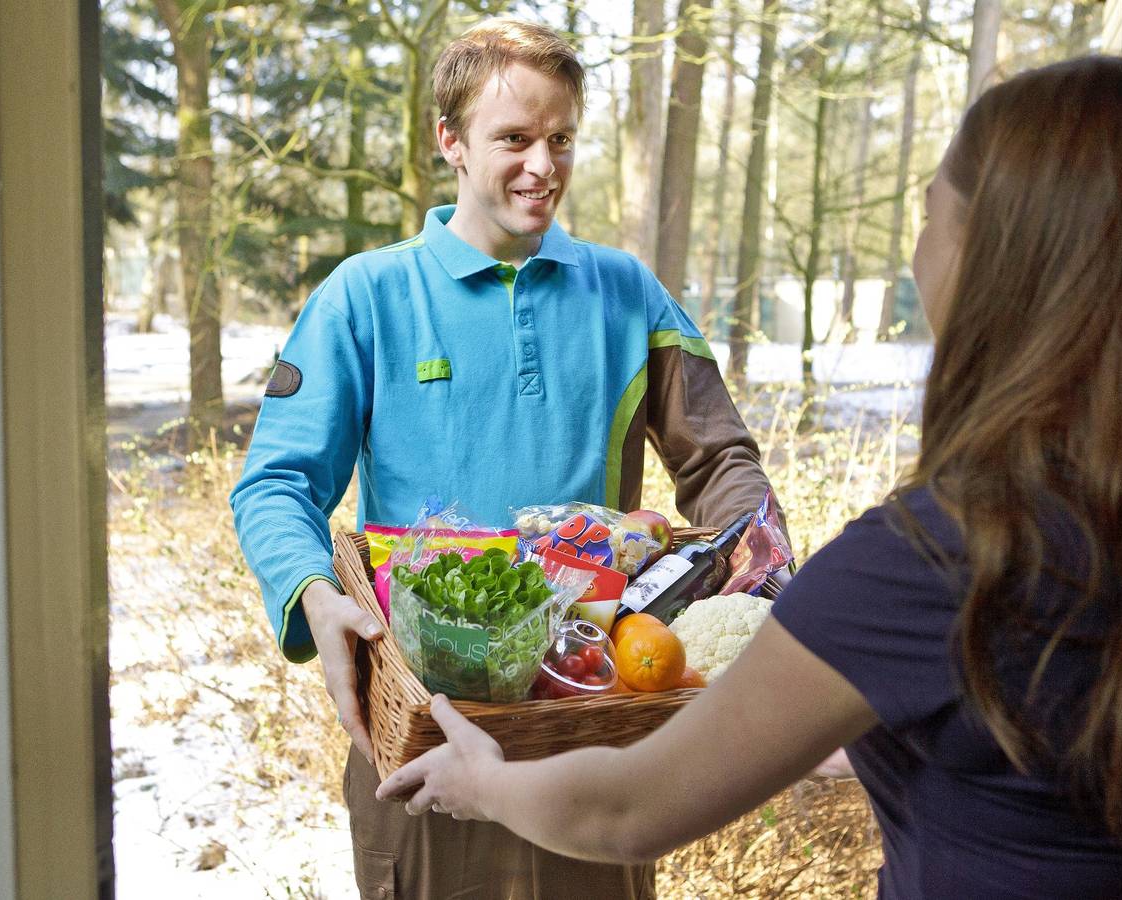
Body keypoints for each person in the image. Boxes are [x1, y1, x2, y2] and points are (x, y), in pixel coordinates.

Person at [374, 54, 1122, 898]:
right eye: (514, 137)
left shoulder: (927, 562)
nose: (542, 162)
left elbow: (628, 809)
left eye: (929, 217)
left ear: (997, 265)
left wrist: (482, 782)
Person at [230, 18, 780, 900]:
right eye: (515, 139)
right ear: (450, 141)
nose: (544, 166)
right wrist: (313, 593)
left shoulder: (628, 292)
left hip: (590, 732)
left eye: (560, 139)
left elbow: (721, 462)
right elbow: (277, 483)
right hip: (425, 732)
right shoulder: (366, 296)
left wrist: (760, 569)